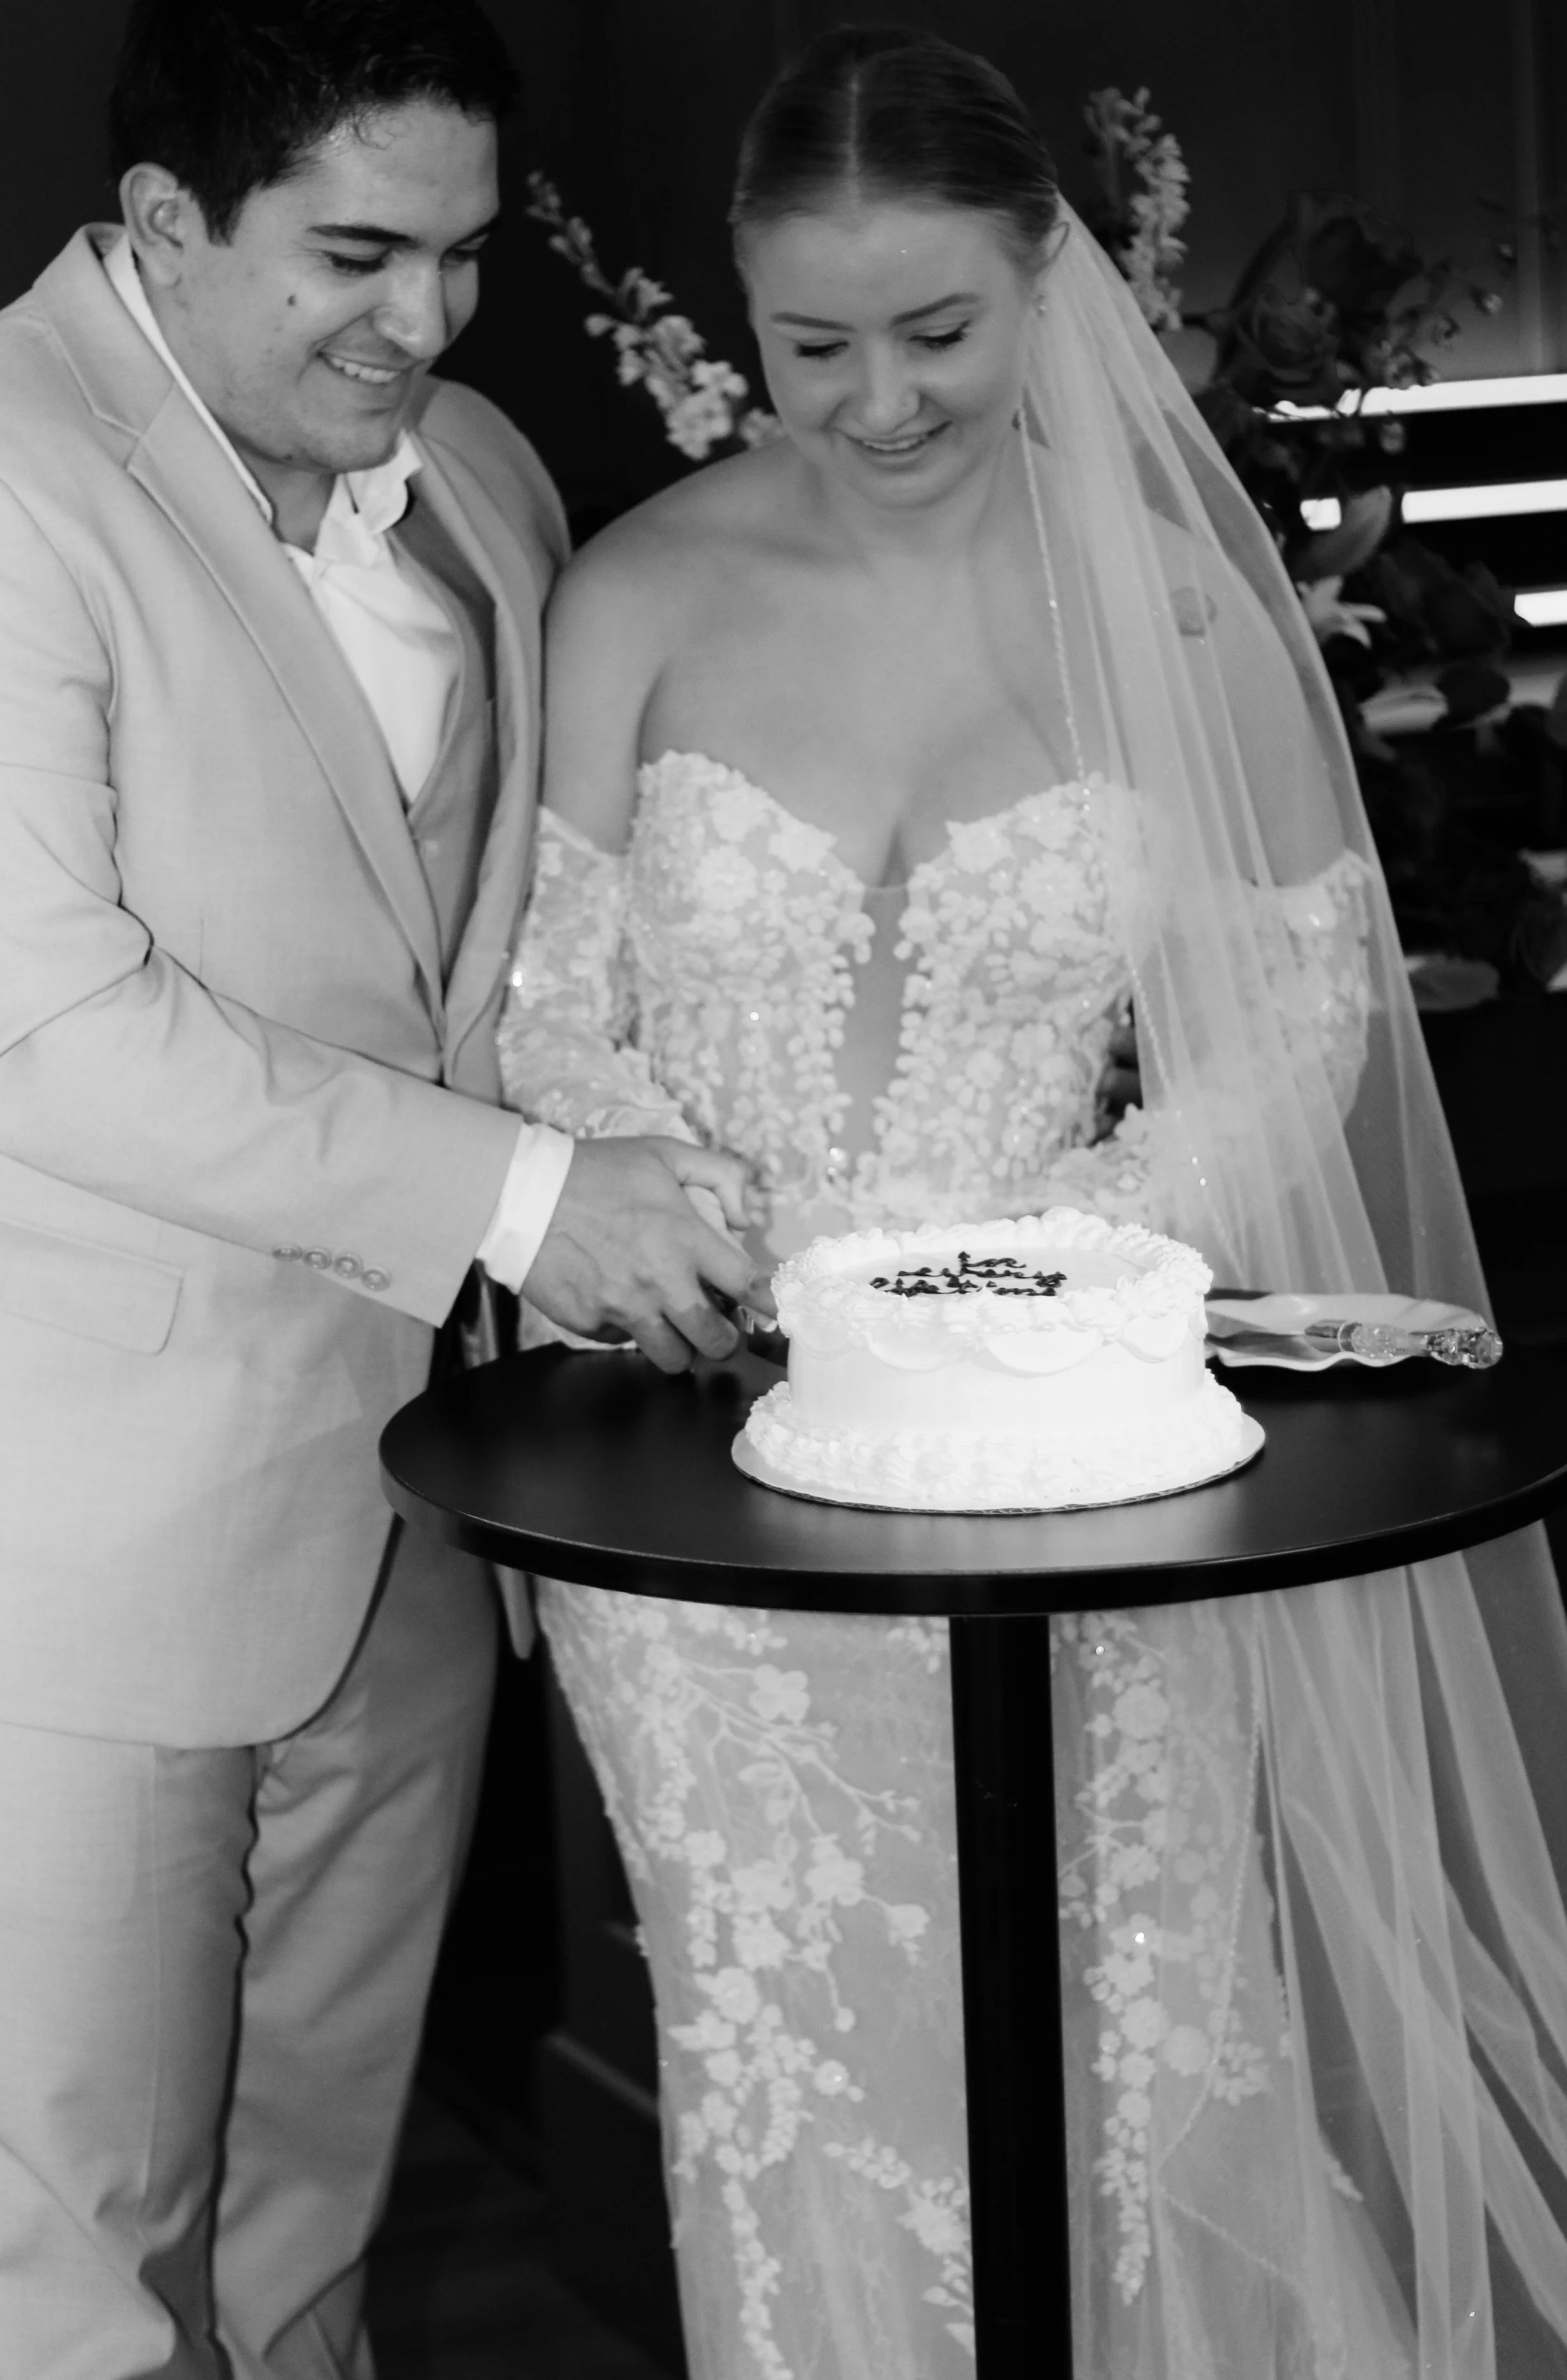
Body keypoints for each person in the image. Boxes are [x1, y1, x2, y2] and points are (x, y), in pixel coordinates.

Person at [498, 25, 1567, 2379]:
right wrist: (686, 1225)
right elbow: (548, 1015)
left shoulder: (1177, 621)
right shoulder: (638, 589)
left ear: (1043, 284)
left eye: (938, 332)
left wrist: (1042, 1267)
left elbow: (1299, 1011)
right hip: (717, 1484)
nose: (875, 398)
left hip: (1073, 1447)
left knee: (1125, 2022)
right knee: (793, 2061)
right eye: (810, 344)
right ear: (741, 313)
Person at [0, 3, 765, 2372]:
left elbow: (516, 940)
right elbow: (35, 1019)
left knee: (307, 2208)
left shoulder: (488, 474)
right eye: (352, 254)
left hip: (416, 1499)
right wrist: (532, 1197)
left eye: (461, 254)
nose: (420, 319)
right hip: (81, 1524)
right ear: (159, 225)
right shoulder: (2, 482)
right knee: (74, 2240)